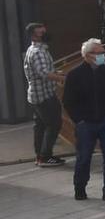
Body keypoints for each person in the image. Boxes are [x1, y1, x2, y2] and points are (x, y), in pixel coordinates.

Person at [63, 38, 105, 202]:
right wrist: (79, 120)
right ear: (87, 55)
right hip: (86, 124)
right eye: (99, 53)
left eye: (103, 53)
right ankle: (80, 188)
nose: (102, 56)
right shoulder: (74, 75)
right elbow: (68, 101)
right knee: (84, 157)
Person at [23, 22, 62, 167]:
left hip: (36, 96)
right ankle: (45, 157)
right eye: (41, 32)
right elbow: (44, 73)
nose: (45, 34)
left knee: (40, 126)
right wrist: (63, 79)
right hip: (44, 96)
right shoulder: (38, 52)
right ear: (34, 35)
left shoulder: (34, 50)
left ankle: (40, 156)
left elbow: (45, 70)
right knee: (54, 124)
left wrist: (56, 73)